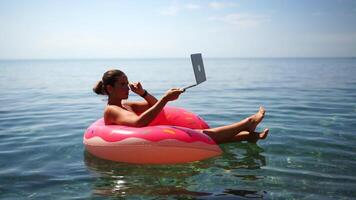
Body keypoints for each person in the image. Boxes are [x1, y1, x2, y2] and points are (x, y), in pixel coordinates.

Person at [93, 69, 269, 144]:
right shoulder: (112, 110)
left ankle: (249, 136)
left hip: (155, 135)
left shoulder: (125, 105)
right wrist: (165, 98)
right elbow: (139, 123)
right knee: (205, 136)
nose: (127, 87)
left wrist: (143, 93)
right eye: (123, 84)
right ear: (110, 88)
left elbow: (155, 107)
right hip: (146, 143)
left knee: (204, 136)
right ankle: (248, 122)